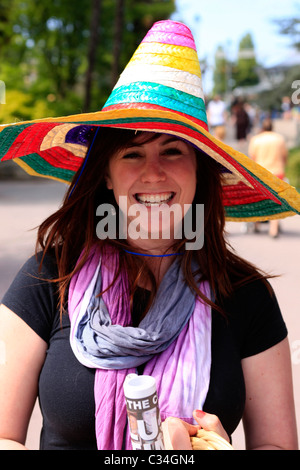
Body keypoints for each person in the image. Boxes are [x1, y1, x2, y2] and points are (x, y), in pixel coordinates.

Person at [0, 20, 299, 451]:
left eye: (173, 150)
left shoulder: (247, 297)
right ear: (104, 173)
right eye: (132, 153)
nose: (153, 172)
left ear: (201, 170)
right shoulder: (48, 279)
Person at [248, 118, 288, 238]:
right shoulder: (279, 139)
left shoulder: (256, 139)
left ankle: (256, 224)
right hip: (277, 171)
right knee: (276, 200)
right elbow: (285, 155)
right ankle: (273, 229)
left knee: (259, 199)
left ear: (262, 128)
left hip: (261, 172)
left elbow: (252, 156)